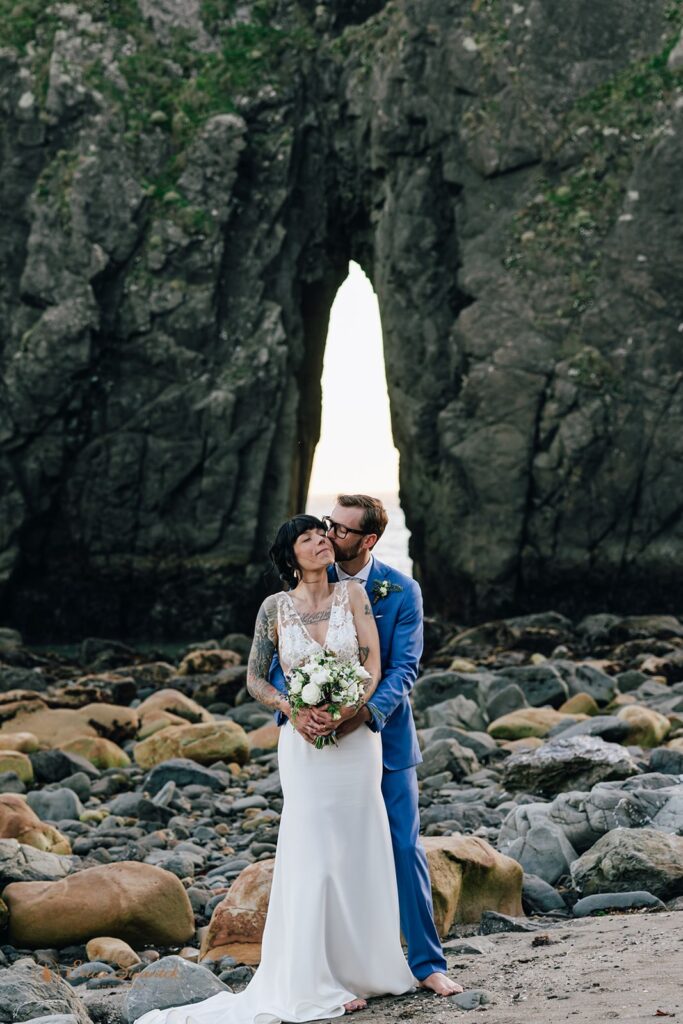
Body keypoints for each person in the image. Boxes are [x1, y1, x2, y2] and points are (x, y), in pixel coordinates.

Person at [132, 514, 416, 1024]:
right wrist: (293, 708)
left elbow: (373, 662)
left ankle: (364, 969)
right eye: (307, 538)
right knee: (311, 851)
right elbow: (254, 678)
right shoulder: (274, 609)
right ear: (291, 555)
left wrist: (354, 707)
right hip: (303, 744)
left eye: (323, 536)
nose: (320, 542)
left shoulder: (353, 596)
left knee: (358, 844)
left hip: (355, 744)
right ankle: (312, 980)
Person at [270, 494, 462, 998]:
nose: (328, 535)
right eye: (326, 526)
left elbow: (404, 668)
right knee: (327, 855)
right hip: (316, 745)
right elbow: (278, 660)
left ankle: (426, 963)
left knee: (402, 847)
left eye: (341, 530)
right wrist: (299, 711)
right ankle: (335, 973)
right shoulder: (305, 586)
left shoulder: (400, 591)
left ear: (369, 540)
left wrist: (363, 714)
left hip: (385, 741)